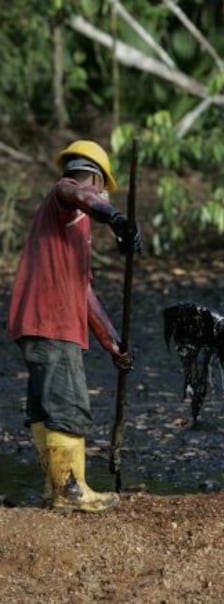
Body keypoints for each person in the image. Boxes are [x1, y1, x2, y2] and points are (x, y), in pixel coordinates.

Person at [7, 139, 142, 513]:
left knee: (44, 407)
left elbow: (84, 293)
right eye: (100, 189)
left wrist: (112, 343)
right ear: (96, 180)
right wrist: (115, 217)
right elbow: (75, 190)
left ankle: (55, 489)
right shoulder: (66, 197)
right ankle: (71, 490)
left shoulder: (73, 225)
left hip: (38, 320)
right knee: (67, 403)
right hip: (52, 321)